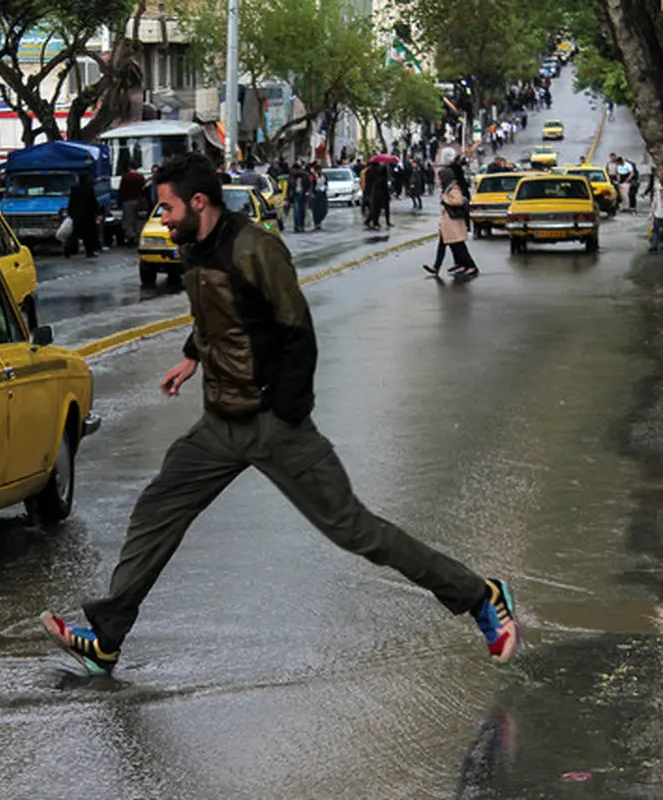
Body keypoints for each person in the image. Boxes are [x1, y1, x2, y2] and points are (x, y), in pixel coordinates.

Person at [39, 153, 521, 675]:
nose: (163, 218)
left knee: (356, 531)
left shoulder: (255, 248)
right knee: (158, 507)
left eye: (169, 208)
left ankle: (480, 596)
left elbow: (296, 331)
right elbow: (220, 315)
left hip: (273, 424)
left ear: (199, 202)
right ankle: (107, 636)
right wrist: (190, 355)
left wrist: (284, 414)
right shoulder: (195, 248)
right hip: (221, 425)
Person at [422, 167, 478, 280]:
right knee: (446, 245)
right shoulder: (448, 188)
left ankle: (471, 266)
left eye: (440, 177)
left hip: (453, 222)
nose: (439, 179)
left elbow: (458, 201)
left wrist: (445, 198)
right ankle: (438, 266)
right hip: (448, 222)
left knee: (458, 246)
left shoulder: (453, 188)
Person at [64, 172, 100, 258]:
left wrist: (70, 212)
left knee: (75, 234)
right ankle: (89, 251)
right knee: (89, 234)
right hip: (88, 215)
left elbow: (71, 201)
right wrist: (97, 212)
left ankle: (67, 249)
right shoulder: (89, 188)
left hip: (77, 215)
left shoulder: (74, 189)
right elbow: (93, 202)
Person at [120, 167, 146, 245]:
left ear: (129, 168)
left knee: (129, 220)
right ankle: (138, 236)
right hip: (138, 200)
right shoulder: (140, 177)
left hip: (127, 201)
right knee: (138, 220)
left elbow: (121, 189)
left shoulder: (125, 177)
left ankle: (130, 236)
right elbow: (144, 188)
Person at [310, 164, 329, 231]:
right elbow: (311, 185)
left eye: (320, 170)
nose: (319, 171)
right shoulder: (313, 177)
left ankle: (320, 220)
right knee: (316, 210)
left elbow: (326, 184)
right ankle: (317, 223)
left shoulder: (324, 176)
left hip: (323, 194)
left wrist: (322, 189)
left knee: (324, 209)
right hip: (315, 194)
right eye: (317, 170)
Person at [650, 172, 663, 253]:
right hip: (658, 212)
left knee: (656, 231)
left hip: (658, 213)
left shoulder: (658, 189)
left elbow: (654, 202)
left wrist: (651, 213)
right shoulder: (657, 189)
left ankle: (654, 246)